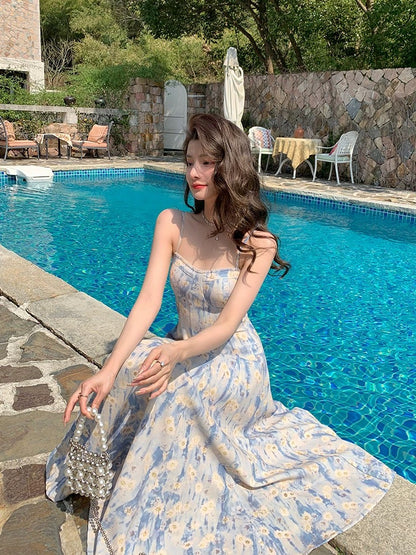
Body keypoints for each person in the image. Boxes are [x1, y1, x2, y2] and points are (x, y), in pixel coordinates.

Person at [46, 113, 394, 555]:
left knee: (175, 396)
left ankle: (154, 513)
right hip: (181, 343)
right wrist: (107, 371)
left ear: (230, 168)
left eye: (206, 163)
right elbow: (148, 302)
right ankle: (106, 472)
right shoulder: (171, 222)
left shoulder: (258, 244)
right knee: (129, 372)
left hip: (233, 359)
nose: (194, 172)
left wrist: (177, 354)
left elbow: (227, 326)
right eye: (190, 161)